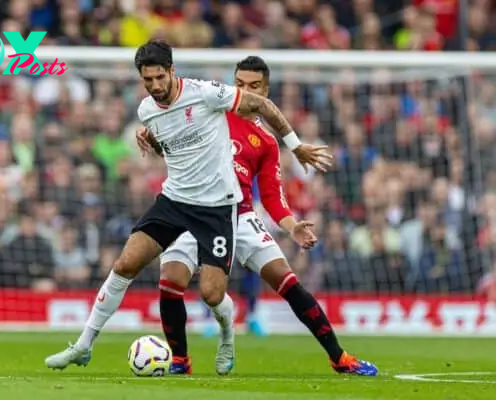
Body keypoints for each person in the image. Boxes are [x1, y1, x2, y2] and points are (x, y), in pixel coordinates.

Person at [45, 40, 329, 370]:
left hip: (216, 207)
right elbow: (172, 151)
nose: (154, 86)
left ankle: (226, 332)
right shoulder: (146, 111)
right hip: (175, 200)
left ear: (172, 72)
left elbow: (262, 107)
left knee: (211, 293)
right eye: (147, 80)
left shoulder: (207, 93)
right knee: (125, 264)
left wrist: (295, 147)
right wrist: (152, 141)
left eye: (159, 78)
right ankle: (83, 345)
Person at [142, 56, 378, 377]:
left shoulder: (266, 141)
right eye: (239, 84)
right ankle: (181, 360)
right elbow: (170, 137)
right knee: (170, 281)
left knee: (288, 282)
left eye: (253, 86)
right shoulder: (210, 111)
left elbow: (271, 197)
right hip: (193, 209)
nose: (245, 91)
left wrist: (292, 226)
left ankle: (340, 358)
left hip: (240, 214)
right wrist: (150, 137)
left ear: (265, 91)